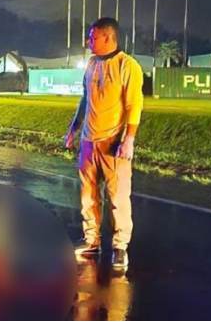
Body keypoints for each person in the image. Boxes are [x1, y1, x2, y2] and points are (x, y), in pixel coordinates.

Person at [64, 17, 143, 270]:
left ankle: (120, 247)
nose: (89, 42)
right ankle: (91, 241)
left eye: (93, 37)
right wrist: (73, 129)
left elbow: (134, 105)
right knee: (88, 196)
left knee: (118, 197)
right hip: (89, 142)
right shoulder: (91, 64)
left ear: (108, 37)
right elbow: (85, 99)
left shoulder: (127, 66)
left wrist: (129, 139)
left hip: (114, 142)